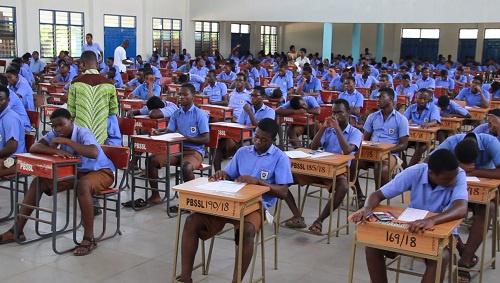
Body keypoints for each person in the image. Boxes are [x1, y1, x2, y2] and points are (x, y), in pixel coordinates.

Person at [177, 118, 293, 283]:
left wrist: (259, 182)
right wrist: (222, 175)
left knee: (246, 231)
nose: (258, 142)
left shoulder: (280, 158)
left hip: (256, 206)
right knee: (191, 221)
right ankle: (186, 277)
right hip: (230, 202)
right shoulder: (242, 152)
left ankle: (236, 281)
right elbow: (230, 175)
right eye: (256, 137)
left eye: (264, 139)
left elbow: (283, 191)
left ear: (273, 140)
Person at [0, 108, 115, 257]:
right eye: (54, 126)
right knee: (39, 181)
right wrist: (56, 151)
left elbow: (93, 152)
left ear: (71, 121)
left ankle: (89, 238)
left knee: (83, 185)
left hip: (101, 171)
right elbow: (35, 147)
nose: (58, 129)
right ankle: (17, 230)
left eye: (61, 124)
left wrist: (66, 141)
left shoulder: (83, 133)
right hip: (76, 172)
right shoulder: (56, 133)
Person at [351, 148, 467, 283]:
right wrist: (367, 208)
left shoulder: (458, 175)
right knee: (372, 245)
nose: (452, 181)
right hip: (412, 226)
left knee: (443, 254)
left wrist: (432, 220)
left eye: (454, 177)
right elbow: (377, 194)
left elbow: (461, 208)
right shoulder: (415, 172)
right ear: (432, 174)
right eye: (447, 179)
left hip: (441, 229)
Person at [428, 134, 500, 282]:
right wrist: (459, 169)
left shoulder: (491, 143)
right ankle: (461, 248)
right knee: (439, 209)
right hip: (455, 190)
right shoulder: (452, 142)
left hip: (483, 191)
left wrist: (473, 172)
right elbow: (428, 162)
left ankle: (464, 261)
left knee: (489, 208)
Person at [284, 99, 362, 233]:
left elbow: (347, 150)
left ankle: (319, 221)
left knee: (343, 187)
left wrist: (337, 129)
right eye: (334, 113)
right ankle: (297, 216)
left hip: (338, 171)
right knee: (283, 179)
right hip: (320, 168)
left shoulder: (356, 133)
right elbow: (312, 147)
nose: (336, 116)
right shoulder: (328, 130)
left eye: (340, 113)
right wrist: (323, 128)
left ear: (348, 113)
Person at [147, 83, 209, 204]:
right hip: (176, 149)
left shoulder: (199, 114)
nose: (181, 97)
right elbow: (170, 131)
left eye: (185, 94)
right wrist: (158, 133)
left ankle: (191, 201)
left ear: (193, 96)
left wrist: (186, 138)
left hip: (194, 151)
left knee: (187, 167)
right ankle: (155, 195)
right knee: (152, 160)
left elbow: (206, 138)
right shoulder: (176, 113)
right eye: (179, 94)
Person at [353, 88, 409, 207]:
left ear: (390, 99)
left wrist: (386, 150)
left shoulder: (401, 119)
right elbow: (366, 138)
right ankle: (359, 195)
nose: (377, 100)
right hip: (371, 151)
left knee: (382, 167)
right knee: (351, 162)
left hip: (390, 153)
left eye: (381, 97)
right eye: (377, 97)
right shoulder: (372, 117)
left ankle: (377, 199)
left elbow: (403, 144)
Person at [402, 89, 440, 168]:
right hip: (412, 135)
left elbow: (435, 121)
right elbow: (403, 119)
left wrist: (428, 124)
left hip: (425, 137)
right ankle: (405, 168)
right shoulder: (412, 107)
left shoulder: (433, 108)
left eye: (425, 99)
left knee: (420, 147)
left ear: (428, 99)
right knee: (399, 145)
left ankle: (409, 169)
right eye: (420, 98)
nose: (422, 101)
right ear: (416, 97)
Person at [0, 85, 26, 177]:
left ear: (8, 100)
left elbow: (11, 148)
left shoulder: (10, 118)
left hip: (13, 159)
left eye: (1, 99)